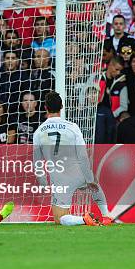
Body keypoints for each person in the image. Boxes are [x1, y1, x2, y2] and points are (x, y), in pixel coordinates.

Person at [32, 91, 112, 226]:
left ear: (45, 107)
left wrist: (43, 182)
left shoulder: (39, 131)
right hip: (78, 171)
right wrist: (89, 177)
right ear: (62, 107)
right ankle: (106, 216)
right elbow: (82, 155)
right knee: (95, 186)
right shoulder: (72, 127)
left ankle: (83, 220)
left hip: (60, 178)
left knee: (59, 219)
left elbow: (37, 163)